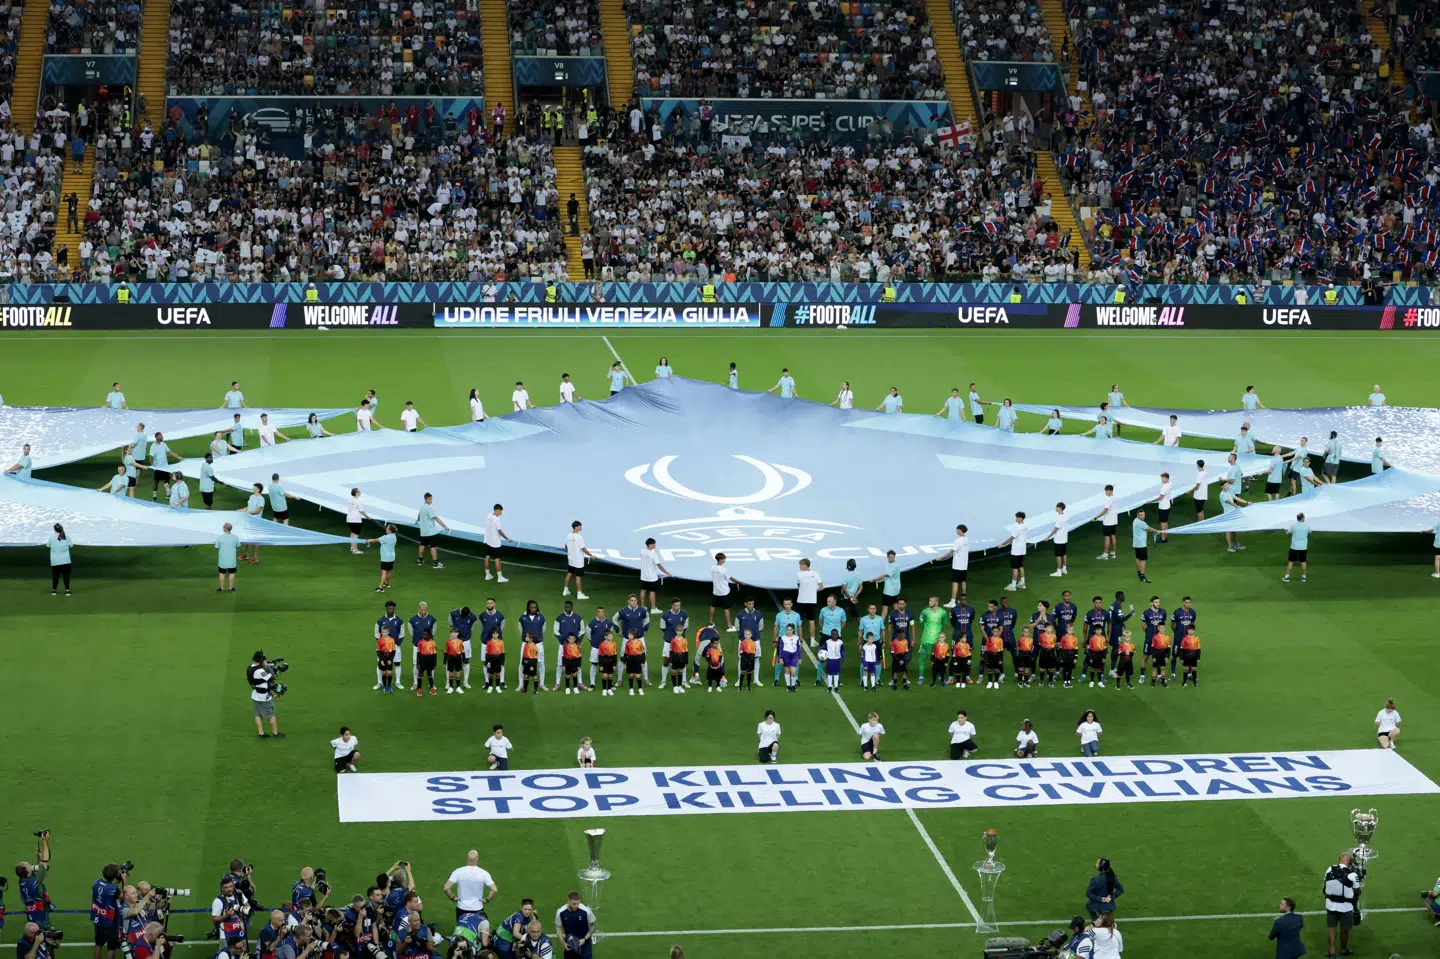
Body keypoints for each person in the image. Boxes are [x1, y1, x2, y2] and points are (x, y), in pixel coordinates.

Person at [443, 852, 496, 926]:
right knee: (476, 930)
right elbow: (494, 890)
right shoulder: (484, 873)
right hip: (477, 908)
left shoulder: (458, 871)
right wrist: (487, 900)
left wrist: (453, 898)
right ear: (477, 859)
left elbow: (446, 888)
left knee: (461, 931)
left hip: (462, 908)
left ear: (468, 859)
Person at [1322, 853, 1359, 957]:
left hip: (1330, 904)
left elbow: (1326, 883)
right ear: (1350, 863)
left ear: (1339, 859)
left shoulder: (1329, 869)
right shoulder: (1352, 875)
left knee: (1331, 927)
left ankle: (1332, 950)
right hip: (1346, 907)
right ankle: (1343, 949)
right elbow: (1358, 891)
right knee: (1345, 929)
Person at [248, 651, 282, 739]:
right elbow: (272, 677)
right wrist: (267, 666)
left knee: (258, 715)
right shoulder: (259, 671)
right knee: (271, 715)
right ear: (261, 660)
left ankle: (261, 733)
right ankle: (275, 734)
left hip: (255, 695)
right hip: (263, 697)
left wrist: (270, 664)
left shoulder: (250, 667)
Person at [554, 893, 596, 959]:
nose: (576, 906)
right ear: (568, 901)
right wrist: (563, 943)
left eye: (578, 903)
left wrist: (585, 939)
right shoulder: (561, 912)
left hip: (585, 945)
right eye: (574, 903)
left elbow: (593, 925)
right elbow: (558, 927)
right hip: (570, 945)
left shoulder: (586, 909)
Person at [709, 553, 742, 631]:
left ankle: (710, 623)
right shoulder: (724, 570)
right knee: (726, 608)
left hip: (716, 591)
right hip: (724, 592)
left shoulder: (712, 568)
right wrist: (739, 582)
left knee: (713, 606)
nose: (725, 560)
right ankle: (730, 626)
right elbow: (730, 578)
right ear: (721, 559)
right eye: (724, 558)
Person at [997, 512, 1029, 591]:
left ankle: (1013, 585)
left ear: (1020, 518)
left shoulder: (1017, 528)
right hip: (1022, 550)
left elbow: (1011, 538)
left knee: (1015, 568)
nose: (1016, 519)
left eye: (1017, 517)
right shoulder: (1025, 526)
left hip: (1016, 551)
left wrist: (1002, 544)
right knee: (1020, 566)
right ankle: (1022, 583)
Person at [416, 494, 450, 568]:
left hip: (423, 531)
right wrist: (444, 526)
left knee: (422, 545)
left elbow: (419, 515)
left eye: (431, 499)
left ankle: (420, 560)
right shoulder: (429, 508)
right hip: (431, 532)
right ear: (425, 499)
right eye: (429, 499)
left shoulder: (422, 507)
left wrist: (417, 520)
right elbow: (436, 518)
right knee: (433, 547)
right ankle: (435, 563)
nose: (431, 500)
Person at [562, 521, 594, 599]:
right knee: (578, 576)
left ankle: (565, 590)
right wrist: (591, 555)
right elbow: (583, 548)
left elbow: (566, 547)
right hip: (578, 561)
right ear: (576, 527)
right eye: (580, 526)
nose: (581, 527)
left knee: (569, 573)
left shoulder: (568, 536)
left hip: (571, 560)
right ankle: (579, 594)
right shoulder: (579, 537)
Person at [639, 537, 670, 613]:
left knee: (643, 590)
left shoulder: (642, 551)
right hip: (652, 576)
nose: (655, 545)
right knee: (652, 592)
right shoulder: (653, 554)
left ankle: (642, 607)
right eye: (653, 544)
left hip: (643, 576)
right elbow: (659, 565)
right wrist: (667, 573)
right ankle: (653, 609)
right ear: (650, 545)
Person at [365, 525, 399, 592]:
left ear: (389, 530)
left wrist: (368, 541)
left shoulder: (386, 537)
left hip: (385, 557)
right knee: (389, 571)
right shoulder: (394, 536)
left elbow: (376, 540)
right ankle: (386, 584)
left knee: (384, 572)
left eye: (387, 528)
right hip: (391, 557)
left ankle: (380, 588)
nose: (386, 529)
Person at [484, 504, 512, 583]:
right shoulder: (497, 520)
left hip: (488, 541)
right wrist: (507, 539)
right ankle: (500, 578)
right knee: (497, 560)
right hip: (495, 543)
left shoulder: (489, 516)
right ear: (497, 510)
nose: (501, 512)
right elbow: (500, 531)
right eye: (501, 510)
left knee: (487, 557)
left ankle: (487, 575)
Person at [1284, 513, 1312, 583]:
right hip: (1303, 547)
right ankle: (1304, 577)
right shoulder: (1307, 526)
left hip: (1294, 547)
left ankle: (1287, 577)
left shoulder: (1293, 526)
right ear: (1302, 518)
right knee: (1303, 561)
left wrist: (1285, 531)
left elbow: (1288, 534)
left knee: (1291, 561)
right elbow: (1309, 532)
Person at [47, 523, 73, 596]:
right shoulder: (67, 537)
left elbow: (48, 545)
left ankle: (54, 590)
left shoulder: (51, 538)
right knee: (66, 576)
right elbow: (71, 545)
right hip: (66, 560)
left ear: (55, 530)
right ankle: (67, 591)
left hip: (55, 560)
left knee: (55, 576)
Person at [216, 522, 240, 593]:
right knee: (232, 573)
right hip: (231, 560)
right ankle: (231, 588)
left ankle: (222, 588)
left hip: (222, 559)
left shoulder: (220, 538)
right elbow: (238, 546)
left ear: (225, 529)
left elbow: (217, 547)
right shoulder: (235, 537)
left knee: (222, 573)